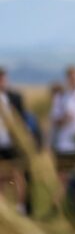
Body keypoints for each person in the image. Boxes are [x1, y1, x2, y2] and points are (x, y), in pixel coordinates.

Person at [49, 66, 75, 179]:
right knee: (64, 178)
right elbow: (54, 120)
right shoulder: (62, 97)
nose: (74, 80)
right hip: (64, 145)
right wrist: (64, 119)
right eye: (71, 77)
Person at [0, 67, 28, 214]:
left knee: (17, 174)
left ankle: (20, 206)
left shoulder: (14, 97)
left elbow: (22, 120)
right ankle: (3, 208)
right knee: (1, 176)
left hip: (13, 143)